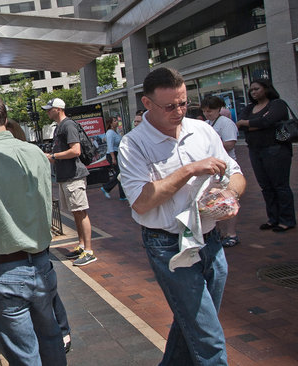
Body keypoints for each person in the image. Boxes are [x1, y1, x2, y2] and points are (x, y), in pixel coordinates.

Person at [118, 67, 246, 365]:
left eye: (184, 103)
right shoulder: (133, 144)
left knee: (195, 320)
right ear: (147, 104)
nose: (178, 111)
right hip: (168, 245)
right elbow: (140, 202)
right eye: (169, 106)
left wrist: (230, 195)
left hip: (209, 238)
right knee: (207, 334)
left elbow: (234, 173)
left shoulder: (202, 130)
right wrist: (189, 169)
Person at [0, 94, 67, 364]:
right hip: (43, 263)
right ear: (5, 119)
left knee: (24, 352)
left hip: (6, 271)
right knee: (51, 338)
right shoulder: (37, 155)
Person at [6, 118, 72, 354]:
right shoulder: (28, 158)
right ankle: (60, 331)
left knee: (47, 291)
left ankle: (62, 331)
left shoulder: (25, 160)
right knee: (45, 290)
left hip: (31, 239)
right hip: (35, 239)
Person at [236, 79, 296, 232]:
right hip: (255, 150)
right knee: (266, 187)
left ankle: (286, 220)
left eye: (257, 89)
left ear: (266, 88)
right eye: (251, 90)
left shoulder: (277, 104)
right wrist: (255, 124)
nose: (253, 92)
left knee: (280, 186)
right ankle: (273, 218)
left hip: (276, 149)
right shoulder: (249, 107)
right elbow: (242, 125)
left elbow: (268, 121)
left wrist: (248, 123)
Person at [43, 97, 96, 267]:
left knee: (80, 212)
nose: (47, 111)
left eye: (49, 109)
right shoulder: (60, 127)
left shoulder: (68, 125)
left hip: (74, 176)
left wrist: (53, 156)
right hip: (66, 176)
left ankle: (88, 250)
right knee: (76, 212)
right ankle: (82, 246)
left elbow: (76, 150)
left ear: (58, 109)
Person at [201, 96, 241, 247]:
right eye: (204, 111)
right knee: (213, 201)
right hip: (212, 168)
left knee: (227, 200)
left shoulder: (226, 123)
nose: (207, 114)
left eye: (210, 111)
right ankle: (218, 232)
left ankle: (231, 233)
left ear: (218, 109)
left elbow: (230, 143)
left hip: (225, 165)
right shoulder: (206, 124)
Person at [100, 117, 126, 201]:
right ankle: (106, 187)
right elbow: (110, 146)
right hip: (112, 154)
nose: (117, 122)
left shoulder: (116, 132)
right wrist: (113, 158)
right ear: (111, 123)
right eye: (115, 121)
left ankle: (122, 195)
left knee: (120, 174)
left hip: (117, 154)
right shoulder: (110, 133)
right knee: (119, 174)